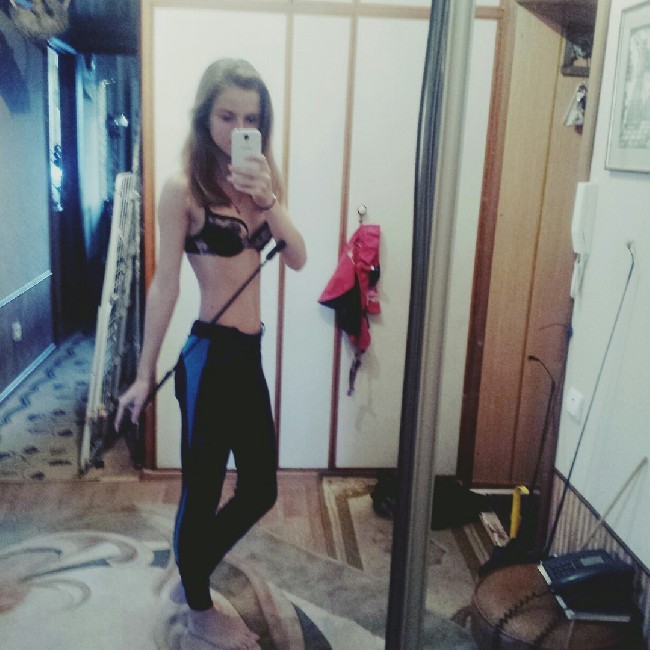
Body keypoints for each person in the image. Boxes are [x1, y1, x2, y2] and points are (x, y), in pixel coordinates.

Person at [115, 58, 306, 650]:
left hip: (248, 354)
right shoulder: (183, 189)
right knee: (201, 491)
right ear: (205, 117)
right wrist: (143, 373)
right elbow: (165, 284)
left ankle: (191, 569)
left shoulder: (262, 184)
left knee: (260, 488)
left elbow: (298, 257)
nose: (239, 128)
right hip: (209, 356)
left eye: (251, 118)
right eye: (227, 116)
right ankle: (198, 605)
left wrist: (268, 200)